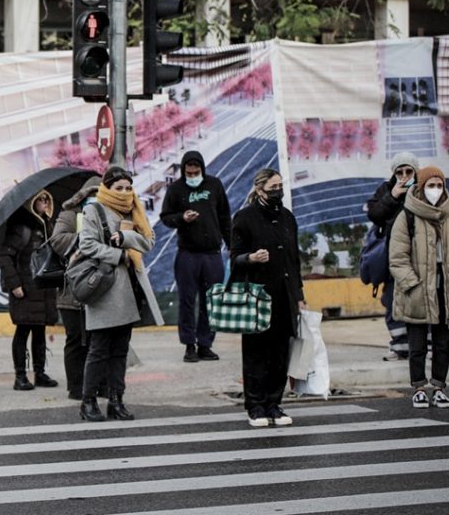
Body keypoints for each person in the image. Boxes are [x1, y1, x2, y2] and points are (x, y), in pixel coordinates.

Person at [78, 166, 163, 422]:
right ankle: (88, 402)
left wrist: (126, 236)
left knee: (120, 351)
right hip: (104, 288)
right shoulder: (93, 209)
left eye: (128, 187)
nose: (125, 192)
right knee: (99, 349)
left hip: (129, 289)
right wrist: (119, 254)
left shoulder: (134, 210)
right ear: (107, 188)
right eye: (119, 188)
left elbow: (148, 242)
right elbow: (87, 244)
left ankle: (116, 400)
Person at [230, 168, 304, 428]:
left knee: (280, 353)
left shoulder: (287, 217)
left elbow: (294, 260)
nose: (278, 191)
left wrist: (299, 295)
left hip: (284, 295)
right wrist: (250, 258)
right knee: (256, 353)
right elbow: (234, 257)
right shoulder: (244, 218)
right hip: (257, 296)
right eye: (273, 187)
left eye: (280, 186)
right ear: (259, 189)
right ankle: (255, 406)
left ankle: (274, 403)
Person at [388, 165, 449, 409]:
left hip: (446, 287)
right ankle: (419, 387)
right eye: (431, 185)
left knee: (443, 343)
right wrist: (412, 283)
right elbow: (397, 257)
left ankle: (439, 386)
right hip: (418, 288)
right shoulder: (407, 216)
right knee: (417, 344)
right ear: (421, 188)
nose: (435, 190)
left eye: (439, 185)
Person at [160, 150, 231, 363]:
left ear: (202, 169)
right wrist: (182, 217)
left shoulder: (214, 185)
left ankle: (206, 344)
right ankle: (189, 345)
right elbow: (165, 217)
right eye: (189, 173)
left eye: (196, 172)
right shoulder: (176, 189)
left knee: (211, 301)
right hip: (187, 255)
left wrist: (231, 244)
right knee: (188, 301)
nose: (193, 176)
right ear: (183, 171)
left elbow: (225, 217)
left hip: (212, 254)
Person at [0, 189, 59, 391]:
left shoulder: (47, 225)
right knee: (23, 330)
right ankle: (20, 376)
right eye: (40, 199)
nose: (44, 202)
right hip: (24, 287)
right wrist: (14, 284)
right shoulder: (21, 227)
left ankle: (39, 373)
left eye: (46, 199)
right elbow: (4, 257)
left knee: (40, 330)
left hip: (42, 287)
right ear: (30, 203)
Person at [49, 175, 102, 400]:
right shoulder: (70, 213)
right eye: (92, 194)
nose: (95, 199)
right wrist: (86, 237)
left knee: (97, 340)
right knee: (75, 339)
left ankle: (99, 384)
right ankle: (75, 386)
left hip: (100, 288)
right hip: (71, 288)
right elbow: (58, 240)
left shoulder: (108, 215)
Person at [367, 152, 420, 361]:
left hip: (420, 256)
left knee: (423, 300)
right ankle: (400, 346)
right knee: (392, 300)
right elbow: (374, 214)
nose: (405, 176)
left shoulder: (425, 188)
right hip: (393, 256)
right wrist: (393, 196)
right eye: (400, 172)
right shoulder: (386, 189)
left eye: (409, 171)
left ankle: (426, 347)